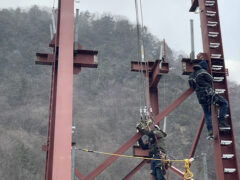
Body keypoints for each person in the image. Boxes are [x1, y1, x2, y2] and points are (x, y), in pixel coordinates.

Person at [188, 60, 230, 139]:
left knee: (207, 113)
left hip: (200, 97)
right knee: (224, 103)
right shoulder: (203, 71)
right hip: (209, 94)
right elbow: (211, 79)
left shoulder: (191, 76)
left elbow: (192, 86)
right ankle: (221, 121)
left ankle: (210, 131)